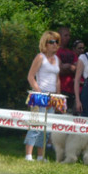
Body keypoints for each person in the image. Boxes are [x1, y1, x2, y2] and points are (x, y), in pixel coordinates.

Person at [24, 30, 61, 161]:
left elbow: (57, 79)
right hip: (39, 94)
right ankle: (28, 155)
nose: (55, 44)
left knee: (47, 128)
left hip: (52, 96)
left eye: (57, 42)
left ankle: (40, 155)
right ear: (45, 43)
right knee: (35, 125)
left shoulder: (57, 59)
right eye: (52, 42)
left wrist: (58, 96)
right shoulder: (40, 57)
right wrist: (39, 92)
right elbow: (30, 77)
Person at [56, 26, 77, 113]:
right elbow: (58, 70)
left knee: (68, 114)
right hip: (59, 90)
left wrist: (66, 66)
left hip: (71, 90)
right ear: (59, 36)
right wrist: (70, 67)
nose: (68, 37)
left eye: (69, 35)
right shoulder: (56, 51)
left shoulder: (71, 53)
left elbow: (77, 69)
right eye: (66, 35)